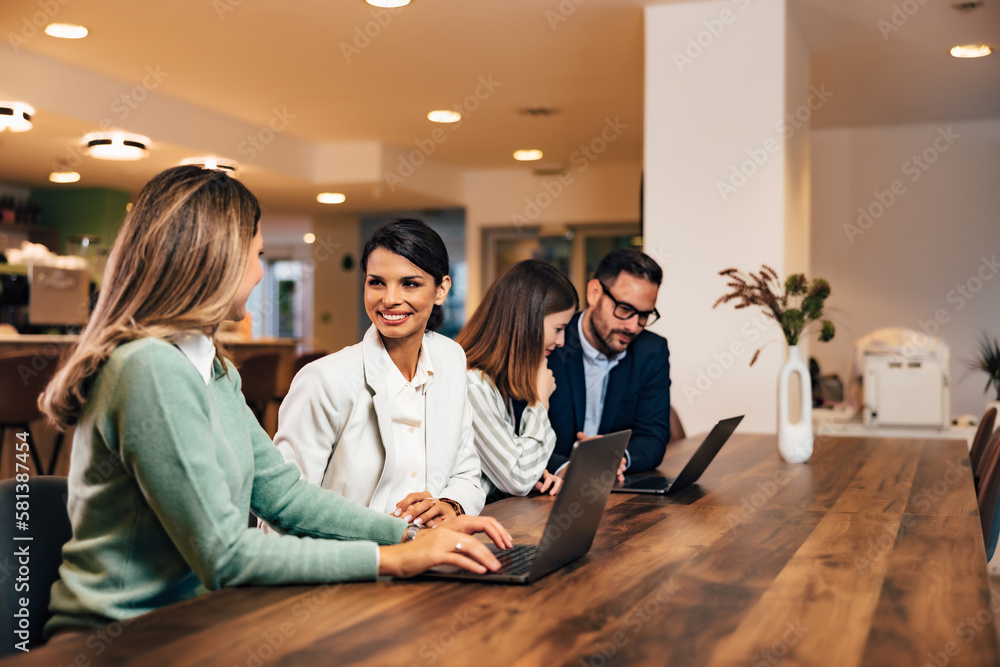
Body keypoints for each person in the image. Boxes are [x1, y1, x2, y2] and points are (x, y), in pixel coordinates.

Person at [38, 167, 509, 637]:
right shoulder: (148, 368)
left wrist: (410, 534)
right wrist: (395, 558)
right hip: (123, 636)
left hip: (200, 621)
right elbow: (223, 554)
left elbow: (284, 496)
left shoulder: (213, 367)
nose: (262, 271)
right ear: (217, 258)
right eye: (257, 254)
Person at [274, 219, 484, 528]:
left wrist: (449, 505)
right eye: (376, 282)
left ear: (442, 290)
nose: (389, 299)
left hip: (431, 551)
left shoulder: (451, 359)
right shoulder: (325, 379)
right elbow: (284, 509)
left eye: (409, 283)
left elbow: (466, 473)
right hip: (353, 562)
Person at [456, 260, 578, 499]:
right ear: (528, 322)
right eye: (558, 328)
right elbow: (518, 478)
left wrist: (535, 474)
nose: (562, 341)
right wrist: (539, 403)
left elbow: (510, 468)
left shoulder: (493, 382)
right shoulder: (472, 384)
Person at [545, 249, 671, 475]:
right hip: (545, 491)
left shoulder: (651, 351)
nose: (633, 327)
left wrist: (617, 456)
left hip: (613, 490)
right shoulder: (551, 342)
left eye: (644, 315)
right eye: (625, 309)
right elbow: (519, 437)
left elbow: (653, 436)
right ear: (594, 293)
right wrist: (564, 468)